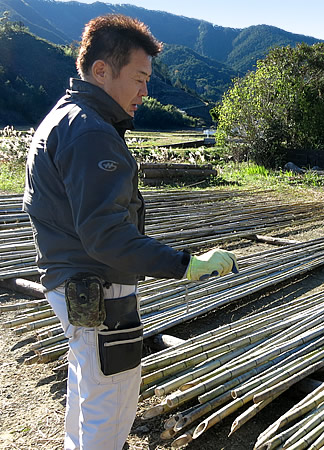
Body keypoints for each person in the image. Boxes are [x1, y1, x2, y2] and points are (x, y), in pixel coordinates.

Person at [22, 14, 237, 450]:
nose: (145, 91)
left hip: (71, 283)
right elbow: (105, 235)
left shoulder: (64, 117)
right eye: (139, 78)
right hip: (98, 287)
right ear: (101, 70)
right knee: (112, 403)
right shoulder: (91, 133)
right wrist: (186, 264)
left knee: (89, 386)